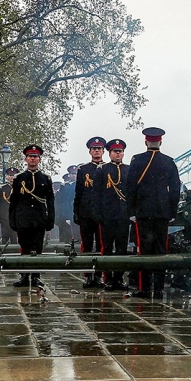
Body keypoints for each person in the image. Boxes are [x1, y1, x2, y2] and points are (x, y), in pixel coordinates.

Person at [125, 127, 181, 298]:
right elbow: (175, 189)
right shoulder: (169, 162)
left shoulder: (137, 161)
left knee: (144, 250)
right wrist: (172, 211)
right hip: (163, 212)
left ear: (146, 141)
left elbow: (130, 188)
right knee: (160, 250)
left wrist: (131, 211)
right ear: (161, 142)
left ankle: (143, 288)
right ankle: (158, 289)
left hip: (142, 211)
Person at [9, 145, 55, 287]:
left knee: (38, 248)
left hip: (39, 218)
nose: (33, 159)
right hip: (23, 218)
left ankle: (36, 276)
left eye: (35, 157)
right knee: (25, 247)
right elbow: (14, 201)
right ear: (26, 159)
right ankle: (24, 275)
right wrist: (13, 220)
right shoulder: (19, 178)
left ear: (39, 159)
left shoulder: (45, 178)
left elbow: (50, 201)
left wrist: (50, 219)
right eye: (30, 156)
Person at [95, 139, 130, 290]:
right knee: (107, 248)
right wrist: (98, 214)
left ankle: (119, 278)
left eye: (120, 151)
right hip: (107, 215)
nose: (118, 154)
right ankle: (108, 278)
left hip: (123, 215)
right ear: (109, 153)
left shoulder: (129, 169)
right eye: (115, 151)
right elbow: (96, 194)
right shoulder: (102, 170)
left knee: (122, 248)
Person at [74, 137, 106, 288]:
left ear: (103, 151)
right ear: (90, 151)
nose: (97, 151)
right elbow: (78, 193)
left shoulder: (107, 168)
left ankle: (99, 275)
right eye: (94, 149)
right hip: (86, 212)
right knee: (86, 245)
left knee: (101, 245)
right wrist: (76, 212)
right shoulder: (83, 169)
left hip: (102, 213)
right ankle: (87, 275)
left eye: (99, 149)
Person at [0, 167, 19, 244]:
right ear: (7, 177)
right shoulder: (2, 188)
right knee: (5, 238)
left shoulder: (20, 188)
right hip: (5, 217)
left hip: (16, 217)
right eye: (10, 175)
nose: (12, 177)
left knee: (15, 238)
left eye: (13, 175)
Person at [54, 166, 78, 242]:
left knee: (76, 233)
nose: (73, 175)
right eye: (72, 174)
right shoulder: (64, 186)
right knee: (66, 234)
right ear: (69, 174)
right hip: (65, 213)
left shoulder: (79, 185)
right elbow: (59, 201)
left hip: (76, 212)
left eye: (75, 174)